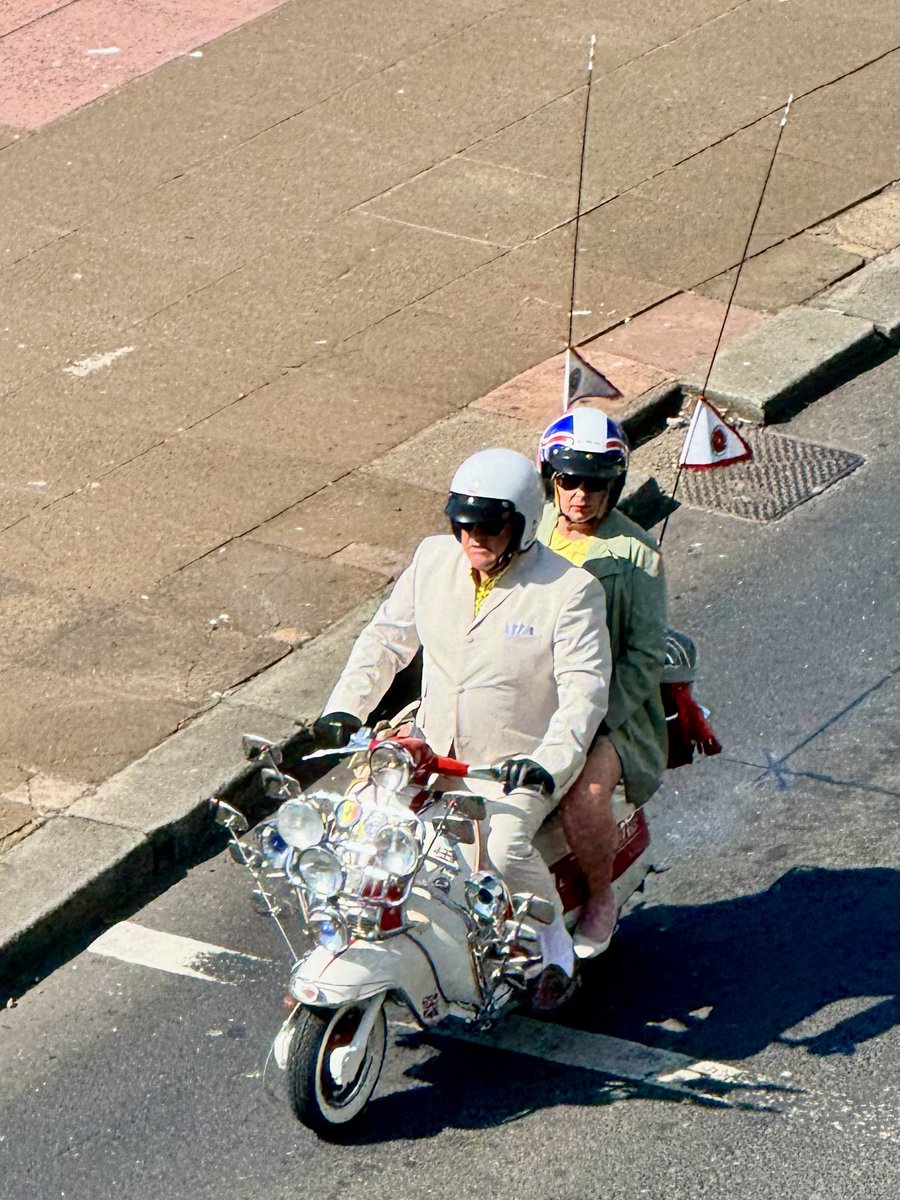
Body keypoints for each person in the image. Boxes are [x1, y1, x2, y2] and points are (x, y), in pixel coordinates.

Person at [314, 448, 611, 1009]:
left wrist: (545, 765)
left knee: (504, 847)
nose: (474, 537)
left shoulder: (569, 591)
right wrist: (345, 708)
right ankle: (353, 945)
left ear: (523, 525)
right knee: (358, 827)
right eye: (464, 524)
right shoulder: (432, 559)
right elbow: (387, 639)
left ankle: (554, 954)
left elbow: (583, 696)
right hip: (427, 750)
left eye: (491, 526)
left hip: (510, 765)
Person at [536, 407, 668, 959]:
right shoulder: (527, 529)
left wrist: (596, 718)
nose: (581, 496)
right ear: (550, 478)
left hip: (612, 715)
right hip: (530, 695)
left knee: (584, 794)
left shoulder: (638, 554)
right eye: (569, 480)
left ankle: (599, 897)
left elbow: (646, 654)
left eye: (596, 484)